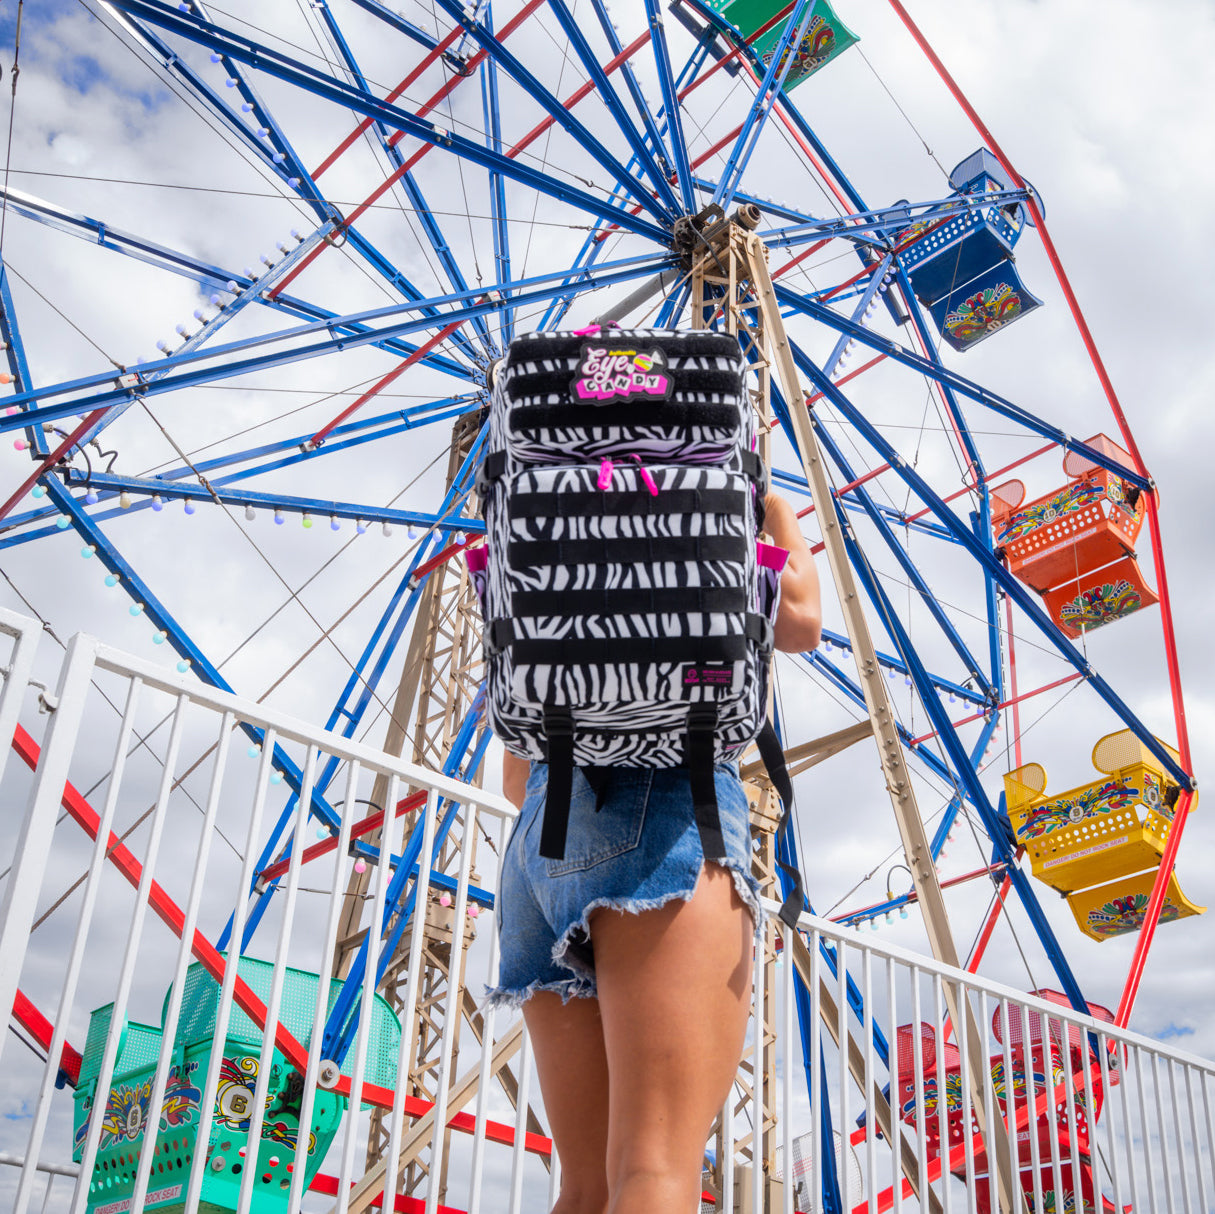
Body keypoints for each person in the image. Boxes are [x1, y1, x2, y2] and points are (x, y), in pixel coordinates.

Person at [488, 492, 822, 1214]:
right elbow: (800, 621)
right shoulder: (711, 530)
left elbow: (516, 772)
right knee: (655, 1172)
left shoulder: (540, 544)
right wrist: (772, 509)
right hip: (668, 811)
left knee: (581, 1190)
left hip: (537, 844)